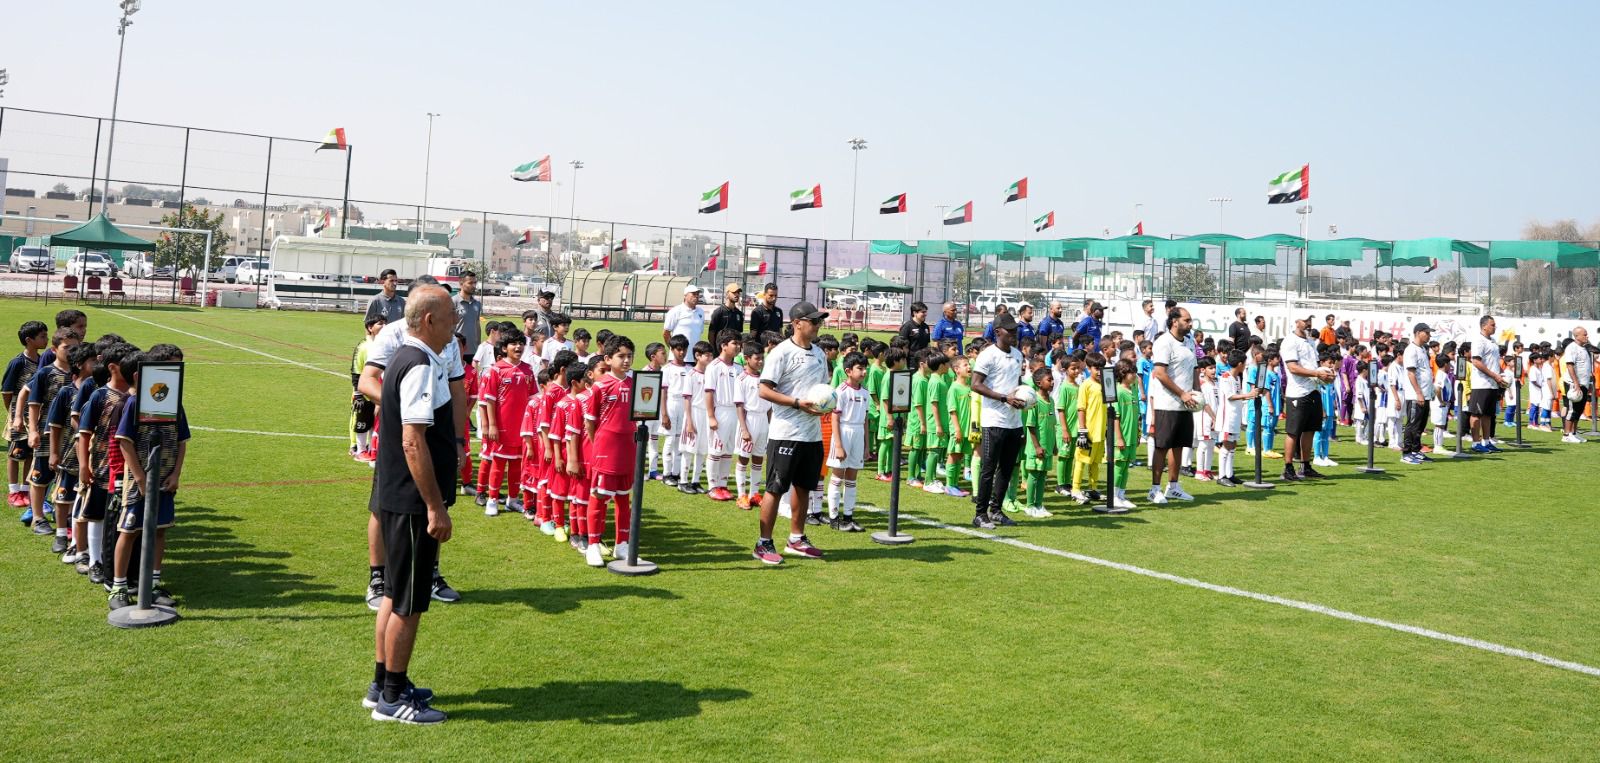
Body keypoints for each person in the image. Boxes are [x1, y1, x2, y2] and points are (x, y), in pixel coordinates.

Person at [367, 285, 456, 725]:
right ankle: (392, 699)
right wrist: (435, 507)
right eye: (451, 314)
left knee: (394, 595)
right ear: (428, 321)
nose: (457, 321)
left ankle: (384, 683)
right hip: (410, 504)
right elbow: (412, 440)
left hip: (396, 497)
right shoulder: (417, 362)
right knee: (409, 603)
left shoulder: (407, 356)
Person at [358, 275, 467, 608]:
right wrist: (404, 409)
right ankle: (379, 578)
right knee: (384, 506)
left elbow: (458, 389)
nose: (453, 321)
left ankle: (430, 573)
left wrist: (460, 439)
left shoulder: (447, 341)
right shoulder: (395, 335)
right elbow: (368, 380)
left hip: (434, 438)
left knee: (436, 507)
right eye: (447, 313)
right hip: (403, 437)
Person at [109, 343, 190, 611]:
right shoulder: (135, 402)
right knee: (129, 530)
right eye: (170, 366)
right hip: (139, 482)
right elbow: (124, 441)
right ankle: (119, 586)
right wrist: (141, 478)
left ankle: (153, 584)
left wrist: (176, 473)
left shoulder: (173, 401)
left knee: (159, 530)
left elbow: (181, 440)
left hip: (165, 479)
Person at [752, 301, 832, 565]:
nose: (818, 324)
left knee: (804, 486)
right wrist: (798, 403)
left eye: (819, 320)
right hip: (785, 432)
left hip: (812, 433)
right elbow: (764, 390)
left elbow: (821, 390)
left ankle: (796, 538)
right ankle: (763, 543)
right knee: (775, 488)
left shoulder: (820, 354)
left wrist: (823, 405)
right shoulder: (781, 352)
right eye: (814, 320)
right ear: (798, 323)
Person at [583, 337, 638, 565]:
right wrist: (600, 445)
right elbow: (590, 422)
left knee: (624, 498)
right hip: (606, 449)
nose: (626, 361)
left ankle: (622, 545)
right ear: (608, 359)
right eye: (621, 356)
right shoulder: (601, 385)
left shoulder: (636, 384)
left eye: (629, 356)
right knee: (599, 496)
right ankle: (593, 545)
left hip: (629, 447)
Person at [970, 311, 1027, 529]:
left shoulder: (1018, 354)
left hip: (1014, 421)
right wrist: (1004, 398)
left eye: (1015, 330)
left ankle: (996, 510)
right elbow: (975, 384)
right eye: (1009, 330)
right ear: (997, 332)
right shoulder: (988, 355)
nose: (1014, 333)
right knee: (988, 468)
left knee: (1007, 467)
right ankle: (980, 514)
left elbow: (1016, 383)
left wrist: (1023, 397)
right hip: (994, 420)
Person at [26, 327, 81, 549]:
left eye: (75, 348)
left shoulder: (78, 375)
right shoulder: (45, 373)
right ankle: (38, 517)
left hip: (70, 434)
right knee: (42, 473)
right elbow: (33, 403)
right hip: (48, 432)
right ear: (54, 349)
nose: (71, 352)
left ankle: (66, 515)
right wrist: (32, 430)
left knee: (67, 473)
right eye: (67, 348)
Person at [1148, 307, 1199, 504]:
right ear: (1174, 321)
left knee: (1179, 446)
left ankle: (1173, 487)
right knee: (1162, 446)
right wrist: (1182, 394)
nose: (1190, 323)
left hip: (1185, 403)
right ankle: (1154, 489)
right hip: (1167, 403)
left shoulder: (1189, 341)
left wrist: (1196, 392)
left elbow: (1194, 368)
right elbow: (1160, 373)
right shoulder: (1163, 342)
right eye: (1187, 320)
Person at [479, 331, 532, 516]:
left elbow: (532, 399)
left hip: (522, 427)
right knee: (499, 463)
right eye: (513, 344)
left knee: (517, 464)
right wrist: (491, 425)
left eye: (521, 343)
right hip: (502, 426)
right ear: (504, 348)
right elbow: (489, 401)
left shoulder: (528, 369)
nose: (518, 347)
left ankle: (512, 499)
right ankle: (492, 499)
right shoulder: (496, 370)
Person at [1279, 317, 1334, 481]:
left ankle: (1305, 466)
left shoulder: (1310, 341)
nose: (1308, 323)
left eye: (1310, 320)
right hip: (1297, 392)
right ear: (1296, 321)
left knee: (1310, 430)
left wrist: (1326, 375)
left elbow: (1315, 367)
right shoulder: (1290, 341)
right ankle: (1288, 468)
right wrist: (1318, 373)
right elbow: (1293, 367)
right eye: (1305, 320)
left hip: (1313, 390)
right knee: (1293, 432)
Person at [825, 352, 871, 532]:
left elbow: (866, 420)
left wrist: (867, 445)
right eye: (860, 368)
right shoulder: (840, 392)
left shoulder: (865, 392)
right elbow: (835, 419)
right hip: (843, 432)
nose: (864, 372)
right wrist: (838, 445)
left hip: (858, 433)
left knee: (852, 477)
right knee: (838, 476)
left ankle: (849, 516)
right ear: (848, 371)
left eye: (865, 368)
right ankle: (834, 517)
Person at [5, 321, 47, 510]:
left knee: (30, 451)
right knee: (15, 453)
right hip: (18, 415)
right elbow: (6, 392)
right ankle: (14, 490)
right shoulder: (18, 362)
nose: (46, 339)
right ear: (29, 340)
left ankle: (25, 488)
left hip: (34, 415)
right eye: (42, 336)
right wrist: (14, 414)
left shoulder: (43, 361)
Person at [704, 329, 743, 502]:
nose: (738, 346)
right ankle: (712, 486)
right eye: (734, 343)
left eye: (739, 343)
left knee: (728, 450)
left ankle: (723, 484)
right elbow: (709, 393)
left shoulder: (739, 368)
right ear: (723, 345)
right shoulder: (713, 367)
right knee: (716, 449)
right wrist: (711, 416)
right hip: (720, 411)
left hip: (734, 412)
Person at [733, 340, 769, 510]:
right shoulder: (742, 379)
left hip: (763, 421)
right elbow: (739, 405)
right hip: (749, 420)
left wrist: (769, 423)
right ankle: (741, 495)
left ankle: (754, 493)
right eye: (757, 358)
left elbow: (769, 403)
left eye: (762, 358)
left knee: (758, 457)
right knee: (743, 457)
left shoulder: (764, 378)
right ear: (747, 358)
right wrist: (744, 429)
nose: (760, 361)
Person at [1021, 367, 1057, 518]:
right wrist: (1036, 446)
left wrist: (1054, 444)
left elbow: (1052, 424)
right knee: (1034, 476)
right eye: (1049, 380)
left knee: (1043, 476)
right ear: (1039, 383)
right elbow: (1031, 426)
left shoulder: (1051, 401)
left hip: (1047, 445)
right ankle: (1030, 506)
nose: (1052, 382)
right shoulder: (1034, 401)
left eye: (1052, 379)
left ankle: (1039, 505)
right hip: (1037, 447)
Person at [1467, 316, 1505, 453]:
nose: (1495, 327)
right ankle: (1475, 443)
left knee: (1488, 414)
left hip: (1492, 384)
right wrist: (1494, 375)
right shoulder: (1478, 340)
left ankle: (1487, 441)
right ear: (1484, 326)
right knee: (1476, 414)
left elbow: (1493, 362)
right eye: (1492, 325)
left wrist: (1500, 374)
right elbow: (1476, 362)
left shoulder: (1493, 341)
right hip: (1481, 384)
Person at [1399, 323, 1434, 464]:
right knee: (1412, 425)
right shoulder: (1411, 350)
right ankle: (1406, 453)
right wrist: (1418, 393)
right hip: (1415, 395)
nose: (1429, 335)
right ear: (1418, 332)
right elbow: (1411, 373)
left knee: (1420, 425)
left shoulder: (1422, 350)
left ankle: (1415, 450)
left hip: (1425, 394)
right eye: (1427, 332)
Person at [660, 336, 690, 487]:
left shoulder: (689, 369)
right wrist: (664, 414)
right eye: (678, 349)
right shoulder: (667, 369)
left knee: (680, 440)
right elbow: (663, 393)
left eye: (684, 349)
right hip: (671, 403)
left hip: (684, 404)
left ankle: (676, 472)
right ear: (671, 350)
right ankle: (666, 473)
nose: (682, 352)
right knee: (670, 439)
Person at [943, 355, 974, 498]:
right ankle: (949, 485)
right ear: (956, 370)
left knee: (960, 455)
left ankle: (955, 484)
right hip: (959, 429)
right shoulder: (954, 388)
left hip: (968, 429)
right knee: (953, 455)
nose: (969, 367)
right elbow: (952, 410)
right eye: (965, 365)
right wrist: (957, 429)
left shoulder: (969, 388)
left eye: (969, 364)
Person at [1560, 328, 1594, 443]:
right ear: (1577, 336)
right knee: (1572, 409)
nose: (1587, 336)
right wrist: (1576, 384)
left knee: (1579, 409)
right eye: (1584, 334)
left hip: (1583, 383)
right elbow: (1570, 366)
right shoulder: (1571, 348)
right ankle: (1566, 434)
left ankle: (1574, 432)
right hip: (1573, 384)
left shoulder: (1584, 347)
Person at [452, 270, 483, 358]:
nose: (474, 286)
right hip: (457, 350)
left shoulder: (477, 303)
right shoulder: (452, 302)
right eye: (470, 283)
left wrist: (478, 344)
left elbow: (477, 324)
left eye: (475, 283)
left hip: (473, 350)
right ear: (461, 284)